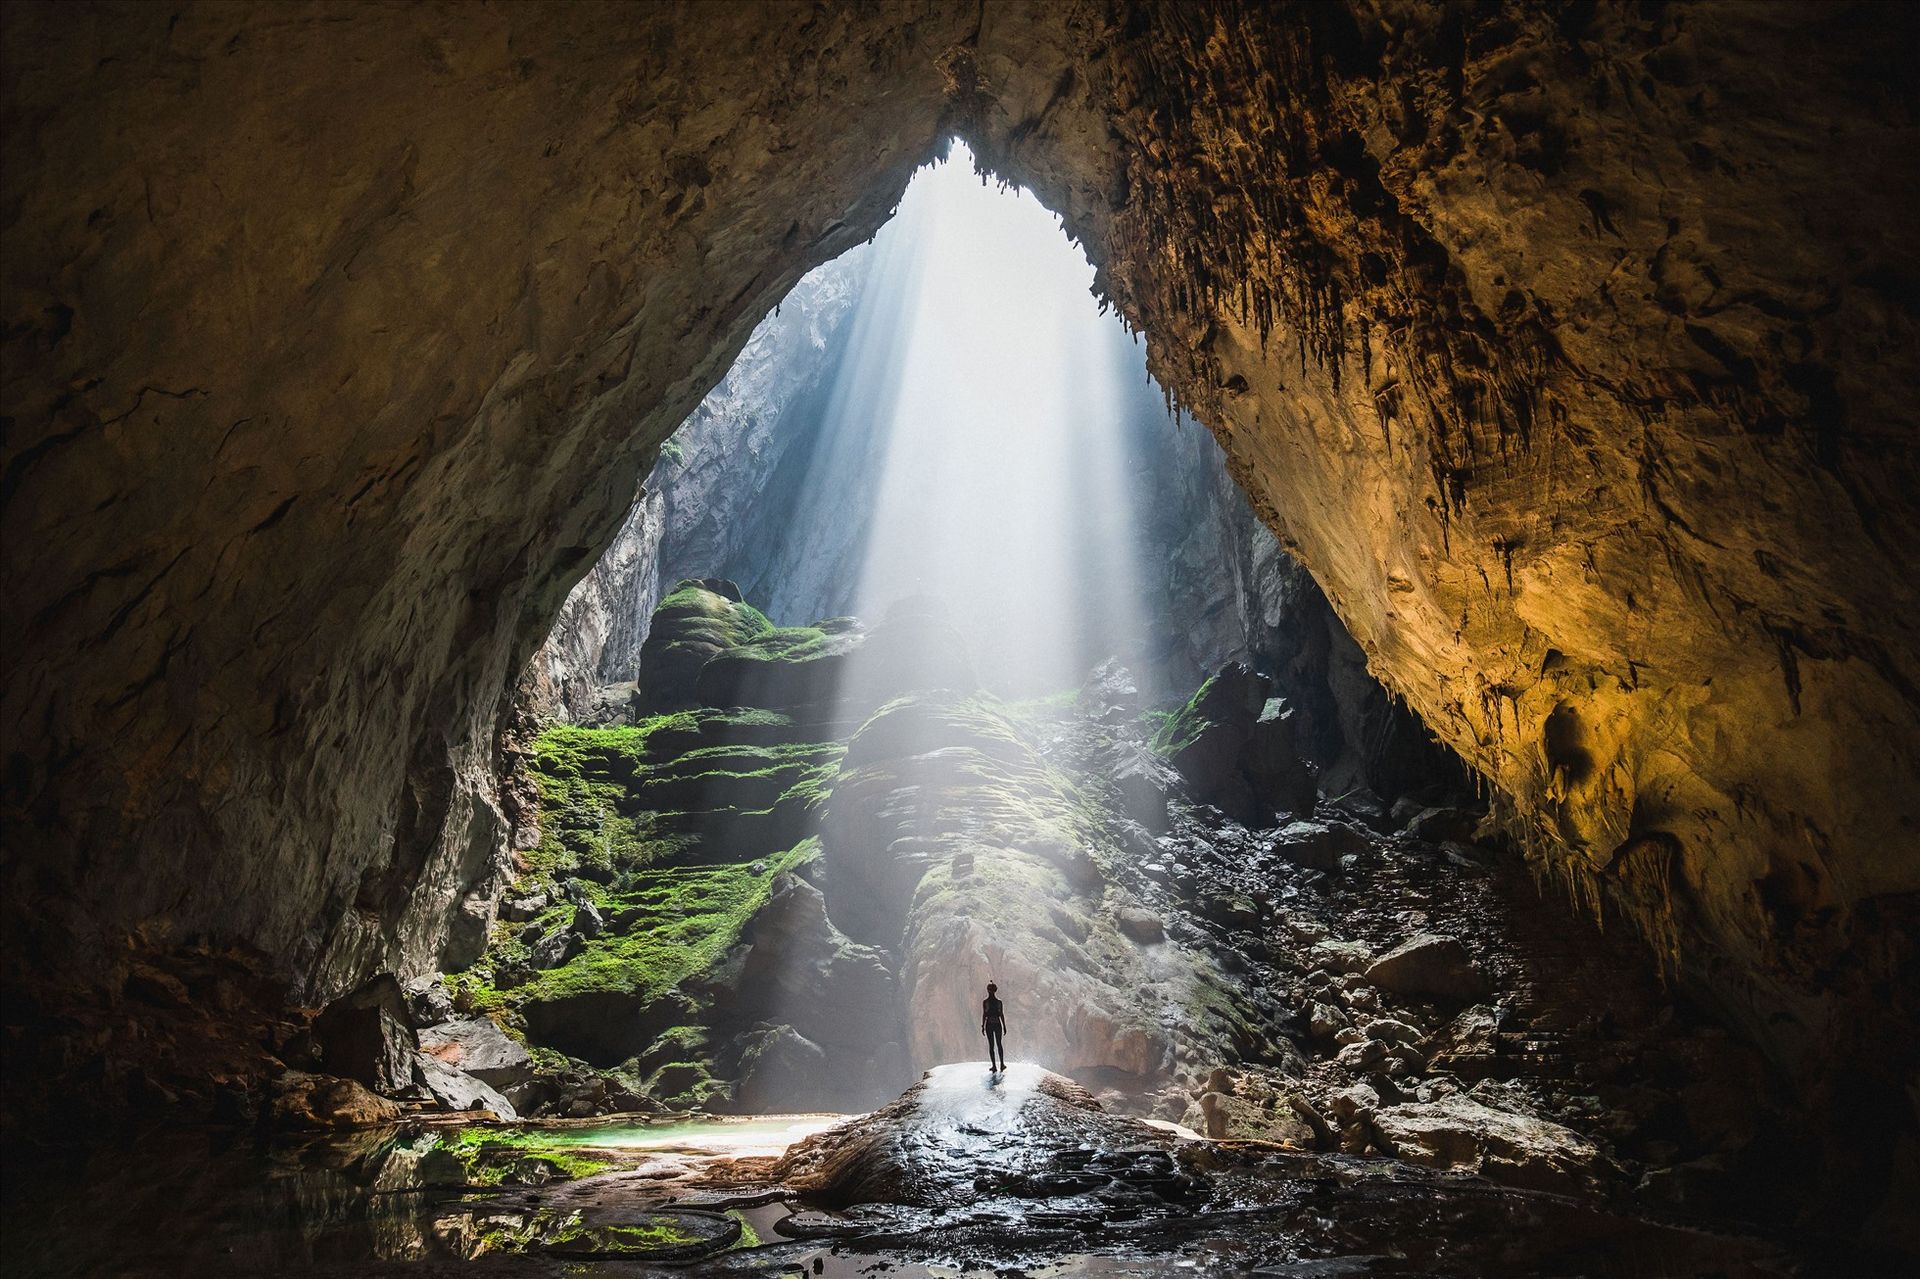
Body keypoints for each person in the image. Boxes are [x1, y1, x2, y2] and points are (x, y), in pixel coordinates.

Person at [981, 981, 1007, 1072]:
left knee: (991, 1045)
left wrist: (983, 1026)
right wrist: (1004, 1026)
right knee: (999, 1044)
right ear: (995, 991)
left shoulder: (985, 1002)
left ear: (988, 990)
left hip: (989, 1025)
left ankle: (994, 1066)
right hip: (997, 1024)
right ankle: (1002, 1064)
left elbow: (984, 1014)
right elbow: (1001, 1014)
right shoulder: (999, 1002)